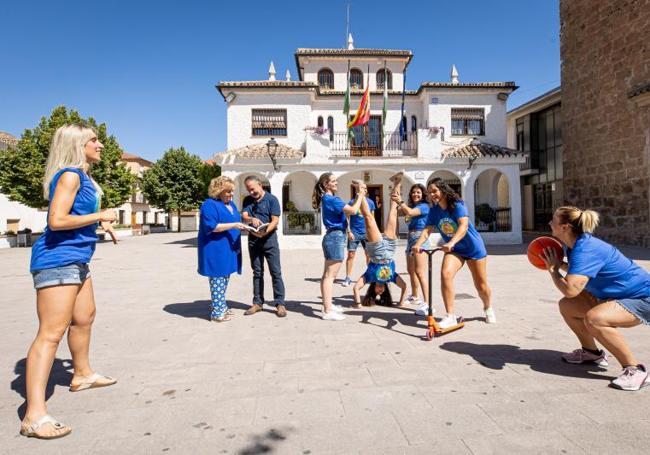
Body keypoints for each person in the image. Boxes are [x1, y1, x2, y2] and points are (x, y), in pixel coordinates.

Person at [22, 124, 118, 439]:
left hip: (77, 259)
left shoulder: (85, 177)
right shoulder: (70, 175)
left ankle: (82, 374)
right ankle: (34, 416)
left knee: (84, 317)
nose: (100, 144)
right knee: (51, 334)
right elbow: (56, 220)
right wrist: (99, 216)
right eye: (94, 140)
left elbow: (74, 219)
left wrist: (98, 226)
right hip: (57, 260)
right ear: (78, 145)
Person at [540, 206, 650, 391]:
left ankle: (635, 370)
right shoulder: (574, 245)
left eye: (554, 220)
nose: (550, 223)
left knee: (595, 319)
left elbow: (571, 289)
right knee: (568, 306)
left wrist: (553, 270)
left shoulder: (586, 249)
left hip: (642, 298)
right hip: (614, 296)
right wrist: (561, 265)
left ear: (565, 227)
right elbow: (583, 274)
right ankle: (592, 353)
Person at [412, 178, 496, 328]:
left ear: (443, 190)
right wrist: (417, 245)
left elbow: (463, 226)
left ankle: (487, 307)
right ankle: (450, 315)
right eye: (430, 192)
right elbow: (426, 231)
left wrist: (451, 242)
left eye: (435, 191)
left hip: (472, 248)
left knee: (481, 286)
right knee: (445, 274)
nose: (432, 195)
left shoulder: (457, 205)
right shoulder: (434, 211)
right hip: (455, 250)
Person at [312, 172, 364, 320]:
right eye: (333, 181)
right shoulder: (331, 199)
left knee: (327, 275)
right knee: (330, 276)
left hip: (334, 236)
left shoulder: (328, 199)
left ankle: (327, 305)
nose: (336, 183)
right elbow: (353, 211)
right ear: (325, 184)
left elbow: (345, 214)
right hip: (335, 237)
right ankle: (327, 311)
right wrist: (360, 194)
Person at [352, 175, 408, 309]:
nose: (380, 291)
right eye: (381, 293)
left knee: (368, 218)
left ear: (372, 290)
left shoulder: (369, 277)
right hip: (389, 250)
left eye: (376, 293)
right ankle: (397, 183)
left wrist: (358, 304)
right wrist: (401, 302)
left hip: (376, 251)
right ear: (385, 291)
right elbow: (405, 286)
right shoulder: (391, 278)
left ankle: (360, 189)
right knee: (393, 213)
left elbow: (355, 288)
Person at [197, 176, 247, 322]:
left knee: (224, 277)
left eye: (232, 191)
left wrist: (245, 226)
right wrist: (234, 225)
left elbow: (235, 221)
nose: (231, 195)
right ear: (218, 191)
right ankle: (217, 313)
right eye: (228, 192)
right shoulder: (209, 204)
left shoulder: (231, 204)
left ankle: (221, 306)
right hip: (215, 249)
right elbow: (212, 227)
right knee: (218, 277)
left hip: (229, 248)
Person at [241, 176, 287, 317]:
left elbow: (275, 220)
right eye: (249, 190)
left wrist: (265, 231)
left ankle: (280, 304)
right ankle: (257, 303)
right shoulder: (248, 200)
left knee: (276, 272)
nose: (251, 192)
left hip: (269, 240)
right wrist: (251, 219)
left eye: (253, 189)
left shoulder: (272, 199)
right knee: (257, 272)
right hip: (253, 241)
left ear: (260, 185)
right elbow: (244, 216)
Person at [397, 183, 431, 315]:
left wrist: (399, 201)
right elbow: (398, 211)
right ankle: (415, 296)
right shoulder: (412, 206)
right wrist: (396, 190)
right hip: (411, 237)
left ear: (423, 194)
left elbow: (409, 212)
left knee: (420, 272)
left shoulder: (424, 206)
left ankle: (428, 304)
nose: (415, 194)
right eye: (413, 192)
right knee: (411, 270)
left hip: (420, 238)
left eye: (418, 192)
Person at [342, 187, 375, 287]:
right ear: (357, 191)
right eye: (360, 189)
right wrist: (348, 231)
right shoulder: (352, 202)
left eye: (364, 188)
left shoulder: (370, 203)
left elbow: (372, 219)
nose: (362, 190)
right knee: (351, 254)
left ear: (366, 191)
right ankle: (347, 277)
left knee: (368, 255)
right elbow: (347, 217)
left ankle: (370, 276)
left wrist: (372, 232)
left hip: (366, 233)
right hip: (354, 232)